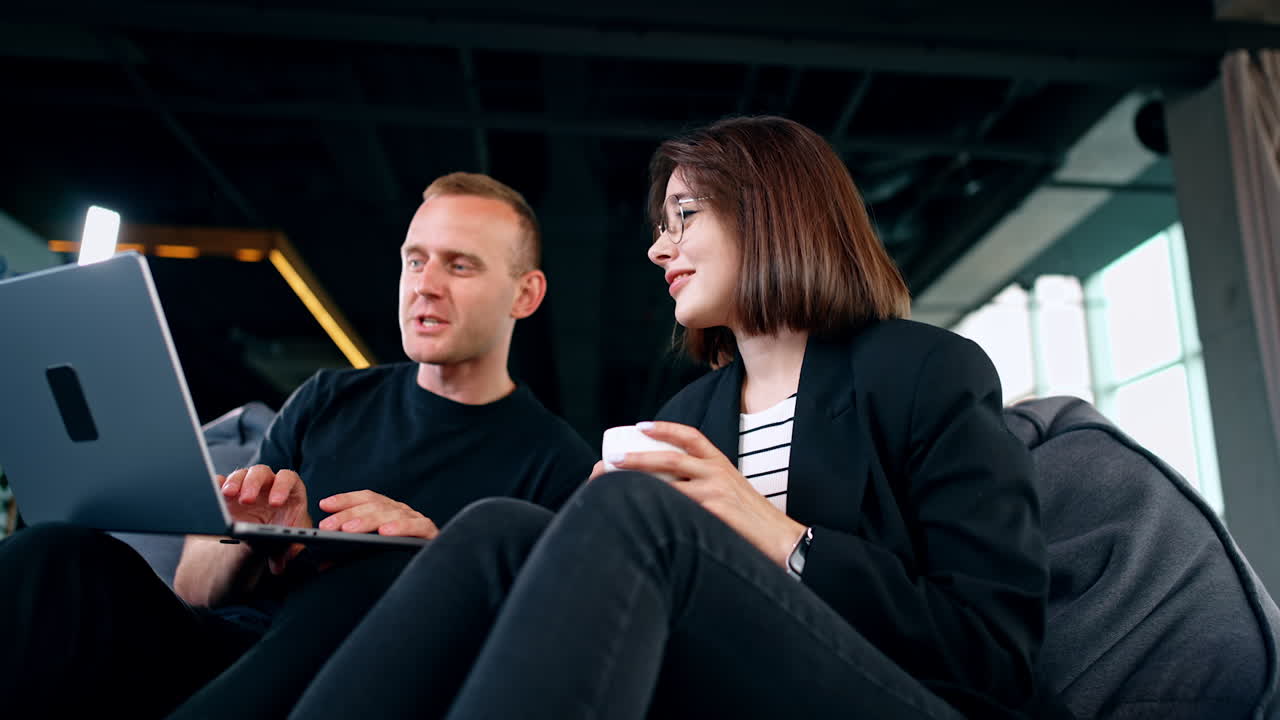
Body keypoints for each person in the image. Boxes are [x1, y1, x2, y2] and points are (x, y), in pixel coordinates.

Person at [288, 116, 1048, 720]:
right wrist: (577, 547)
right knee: (494, 531)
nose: (659, 248)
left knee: (629, 512)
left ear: (772, 213)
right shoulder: (691, 414)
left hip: (903, 697)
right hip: (722, 691)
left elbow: (993, 653)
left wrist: (777, 535)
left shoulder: (922, 372)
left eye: (684, 215)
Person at [0, 172, 595, 718]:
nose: (426, 286)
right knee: (53, 552)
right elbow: (192, 591)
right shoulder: (328, 397)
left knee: (385, 571)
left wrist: (440, 561)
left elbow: (533, 648)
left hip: (360, 681)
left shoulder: (556, 462)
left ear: (526, 295)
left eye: (460, 266)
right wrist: (248, 538)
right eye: (415, 261)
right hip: (230, 652)